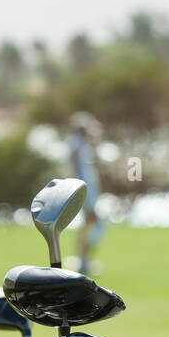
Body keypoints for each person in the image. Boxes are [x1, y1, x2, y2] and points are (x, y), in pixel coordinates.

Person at [68, 112, 105, 271]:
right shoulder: (76, 144)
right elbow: (76, 167)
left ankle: (84, 260)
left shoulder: (83, 144)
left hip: (89, 189)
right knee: (95, 224)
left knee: (89, 224)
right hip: (85, 190)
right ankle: (84, 261)